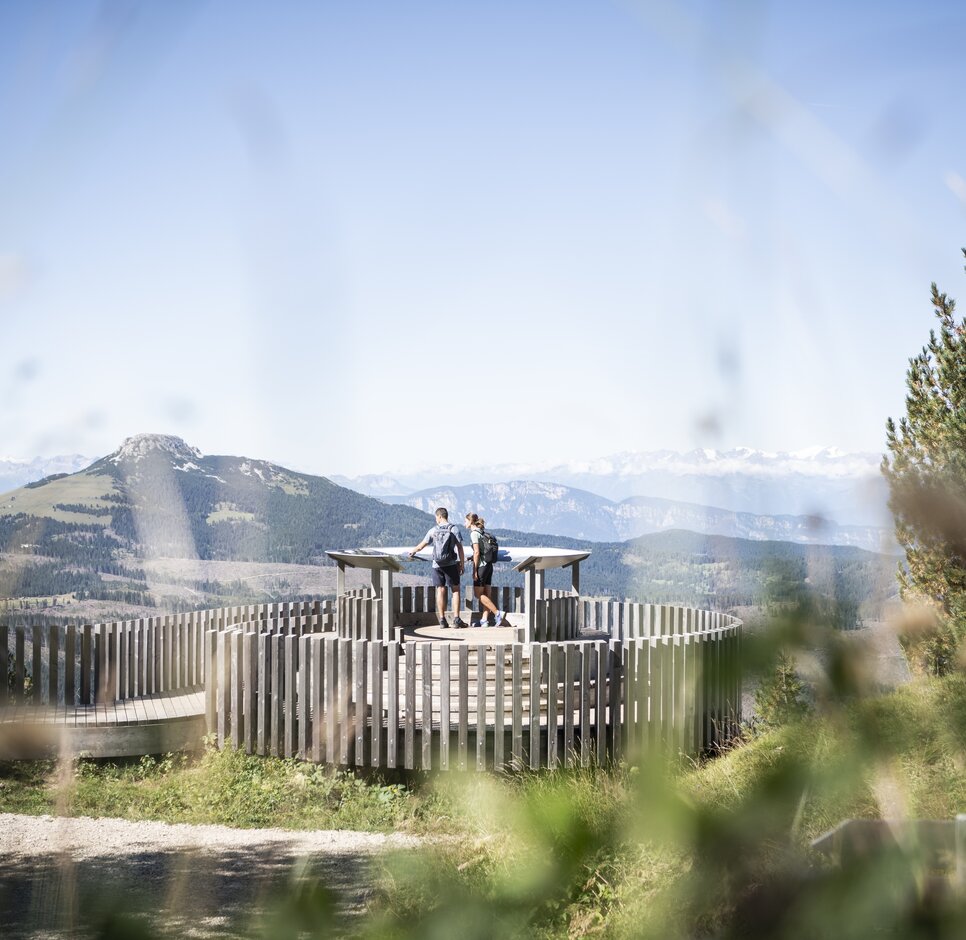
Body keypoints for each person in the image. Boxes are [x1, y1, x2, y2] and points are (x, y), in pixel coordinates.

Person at [408, 507, 467, 629]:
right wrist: (461, 564)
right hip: (451, 564)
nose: (436, 519)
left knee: (440, 590)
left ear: (440, 516)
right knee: (455, 590)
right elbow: (460, 548)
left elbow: (421, 545)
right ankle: (456, 620)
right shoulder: (454, 529)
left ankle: (442, 620)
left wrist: (413, 551)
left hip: (437, 565)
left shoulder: (433, 530)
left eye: (436, 517)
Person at [465, 513, 506, 627]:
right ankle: (484, 620)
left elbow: (477, 552)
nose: (465, 523)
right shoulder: (482, 532)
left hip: (481, 567)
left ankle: (498, 613)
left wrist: (474, 570)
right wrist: (472, 556)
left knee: (478, 595)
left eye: (466, 521)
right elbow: (481, 551)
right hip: (489, 566)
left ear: (471, 522)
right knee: (486, 594)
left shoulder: (474, 534)